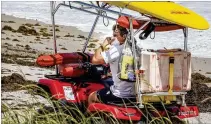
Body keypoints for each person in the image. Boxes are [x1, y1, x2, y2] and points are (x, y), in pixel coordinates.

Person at [88, 24, 135, 106]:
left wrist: (104, 45)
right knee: (108, 81)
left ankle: (87, 117)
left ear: (123, 36)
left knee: (91, 96)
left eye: (115, 35)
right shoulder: (135, 48)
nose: (114, 37)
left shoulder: (117, 50)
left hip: (120, 93)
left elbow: (95, 60)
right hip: (134, 92)